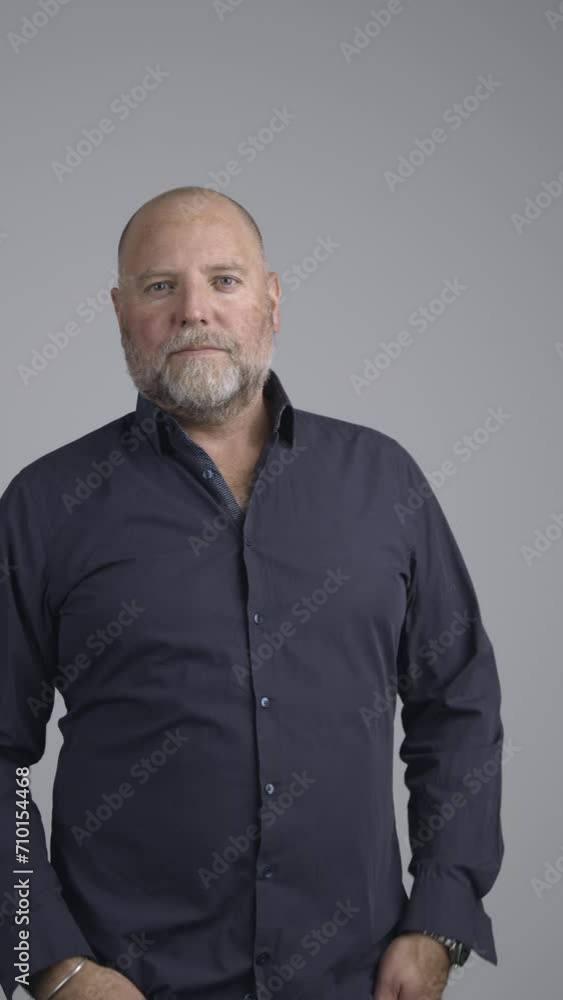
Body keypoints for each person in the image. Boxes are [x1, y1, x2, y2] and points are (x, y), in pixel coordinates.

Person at [0, 186, 504, 1000]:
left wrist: (440, 919)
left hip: (353, 980)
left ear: (270, 301)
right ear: (121, 311)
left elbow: (458, 701)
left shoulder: (383, 483)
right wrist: (52, 964)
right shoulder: (45, 504)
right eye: (160, 286)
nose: (194, 311)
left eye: (225, 280)